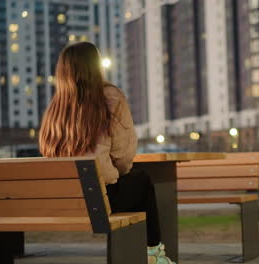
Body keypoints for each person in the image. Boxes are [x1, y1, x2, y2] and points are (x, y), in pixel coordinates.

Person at [39, 42, 175, 264]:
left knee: (134, 182)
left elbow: (47, 151)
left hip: (63, 201)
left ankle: (150, 254)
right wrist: (116, 173)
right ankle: (154, 254)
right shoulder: (109, 96)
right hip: (98, 199)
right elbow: (123, 157)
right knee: (142, 181)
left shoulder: (56, 106)